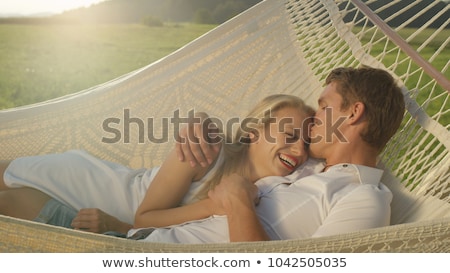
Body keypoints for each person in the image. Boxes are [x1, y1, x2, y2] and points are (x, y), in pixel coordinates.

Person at [126, 66, 405, 243]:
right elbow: (253, 142)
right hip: (134, 243)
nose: (315, 116)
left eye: (323, 106)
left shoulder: (364, 198)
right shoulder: (308, 166)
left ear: (353, 113)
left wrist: (237, 202)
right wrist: (199, 121)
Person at [0, 94, 314, 236]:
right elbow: (143, 217)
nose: (299, 149)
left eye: (306, 141)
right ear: (255, 130)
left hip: (89, 208)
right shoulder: (207, 152)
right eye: (289, 135)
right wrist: (215, 206)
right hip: (89, 182)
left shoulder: (288, 183)